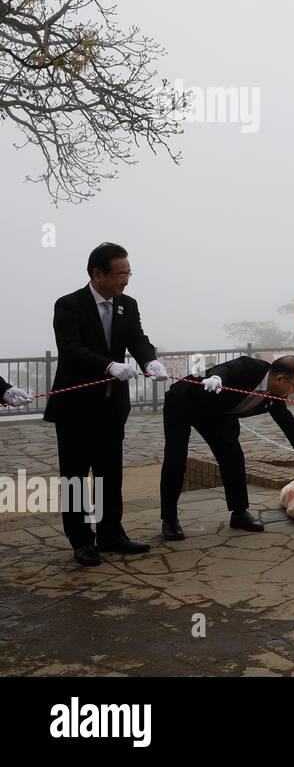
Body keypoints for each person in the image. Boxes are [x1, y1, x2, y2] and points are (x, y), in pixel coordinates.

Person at [44, 242, 169, 566]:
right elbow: (70, 348)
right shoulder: (69, 305)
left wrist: (150, 361)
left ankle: (111, 533)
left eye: (129, 273)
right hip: (75, 407)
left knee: (109, 473)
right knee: (75, 476)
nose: (126, 280)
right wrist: (108, 366)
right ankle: (81, 540)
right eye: (120, 274)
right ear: (97, 274)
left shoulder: (127, 304)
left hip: (112, 407)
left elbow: (138, 339)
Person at [159, 354, 294, 539]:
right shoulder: (250, 367)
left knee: (233, 457)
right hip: (184, 401)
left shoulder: (275, 394)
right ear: (280, 378)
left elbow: (287, 422)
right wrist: (217, 378)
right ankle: (169, 520)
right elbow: (228, 369)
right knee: (176, 459)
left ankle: (239, 513)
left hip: (218, 413)